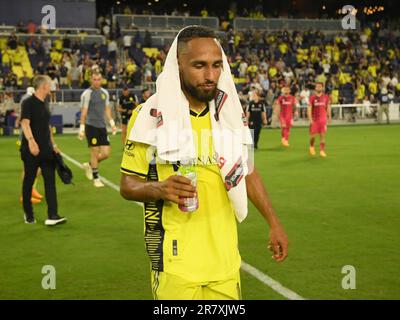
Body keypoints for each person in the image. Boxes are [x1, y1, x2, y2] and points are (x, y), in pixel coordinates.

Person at [120, 26, 288, 300]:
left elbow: (248, 171)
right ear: (178, 65)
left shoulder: (230, 114)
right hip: (175, 265)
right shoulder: (149, 115)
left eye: (216, 66)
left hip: (225, 262)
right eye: (199, 65)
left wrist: (274, 222)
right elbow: (127, 185)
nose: (210, 75)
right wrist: (160, 189)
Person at [20, 75, 67, 226]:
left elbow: (47, 127)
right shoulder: (28, 103)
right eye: (49, 84)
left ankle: (52, 215)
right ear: (43, 87)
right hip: (31, 150)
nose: (51, 87)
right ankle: (28, 213)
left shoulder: (45, 103)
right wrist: (31, 142)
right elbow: (25, 123)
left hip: (46, 150)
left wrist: (53, 145)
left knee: (50, 181)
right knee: (29, 180)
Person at [78, 72, 117, 188]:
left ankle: (89, 165)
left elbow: (107, 109)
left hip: (102, 126)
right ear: (91, 80)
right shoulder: (87, 94)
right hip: (91, 127)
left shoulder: (105, 93)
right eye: (94, 79)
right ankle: (96, 178)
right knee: (94, 153)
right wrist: (81, 128)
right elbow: (84, 112)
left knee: (106, 154)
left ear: (102, 80)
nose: (97, 81)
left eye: (99, 79)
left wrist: (112, 123)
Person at [19, 87, 44, 204]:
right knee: (29, 167)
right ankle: (25, 195)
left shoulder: (26, 100)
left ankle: (30, 189)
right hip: (29, 137)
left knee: (36, 167)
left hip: (33, 136)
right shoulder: (28, 101)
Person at [308, 82, 332, 158]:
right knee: (313, 136)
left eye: (320, 87)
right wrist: (310, 118)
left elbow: (328, 107)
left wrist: (329, 117)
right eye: (317, 87)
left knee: (322, 136)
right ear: (315, 88)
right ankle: (311, 146)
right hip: (314, 120)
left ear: (322, 88)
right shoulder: (312, 97)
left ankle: (322, 151)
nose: (318, 88)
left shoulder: (326, 97)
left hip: (323, 120)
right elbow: (309, 108)